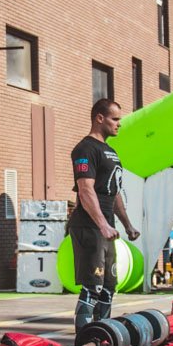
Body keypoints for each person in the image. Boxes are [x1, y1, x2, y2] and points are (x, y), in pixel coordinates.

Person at [69, 98, 140, 330]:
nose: (119, 124)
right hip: (89, 227)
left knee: (109, 285)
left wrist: (127, 224)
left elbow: (114, 191)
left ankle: (102, 336)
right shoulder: (85, 149)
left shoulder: (110, 151)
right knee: (93, 285)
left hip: (106, 228)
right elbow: (85, 190)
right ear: (100, 118)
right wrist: (102, 225)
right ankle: (84, 341)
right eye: (115, 119)